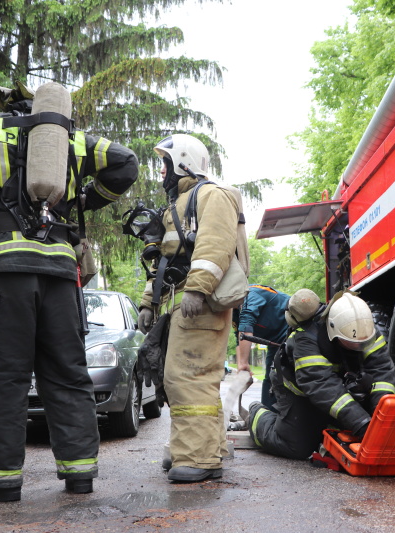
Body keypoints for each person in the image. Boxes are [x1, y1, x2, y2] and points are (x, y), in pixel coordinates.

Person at [0, 82, 138, 501]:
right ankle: (80, 475)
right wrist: (85, 198)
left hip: (4, 271)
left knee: (3, 377)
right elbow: (125, 164)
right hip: (60, 274)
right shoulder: (73, 139)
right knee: (67, 375)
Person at [137, 133, 239, 483]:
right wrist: (148, 303)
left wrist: (197, 289)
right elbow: (168, 262)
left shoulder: (212, 195)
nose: (162, 171)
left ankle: (199, 458)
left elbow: (215, 245)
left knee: (190, 378)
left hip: (199, 305)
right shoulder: (179, 205)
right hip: (182, 307)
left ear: (184, 162)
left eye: (165, 163)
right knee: (178, 380)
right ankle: (194, 449)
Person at [249, 290, 395, 460]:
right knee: (298, 447)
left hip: (337, 387)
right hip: (299, 391)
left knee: (348, 431)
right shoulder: (306, 340)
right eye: (353, 344)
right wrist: (362, 424)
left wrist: (382, 415)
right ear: (333, 329)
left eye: (363, 343)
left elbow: (382, 370)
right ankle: (256, 414)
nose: (360, 347)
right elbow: (322, 386)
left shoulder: (364, 330)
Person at [233, 284, 290, 412]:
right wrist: (241, 367)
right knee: (270, 378)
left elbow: (246, 325)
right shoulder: (232, 310)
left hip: (292, 330)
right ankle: (268, 418)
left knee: (283, 376)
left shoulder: (251, 294)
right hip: (275, 340)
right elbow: (239, 336)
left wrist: (243, 363)